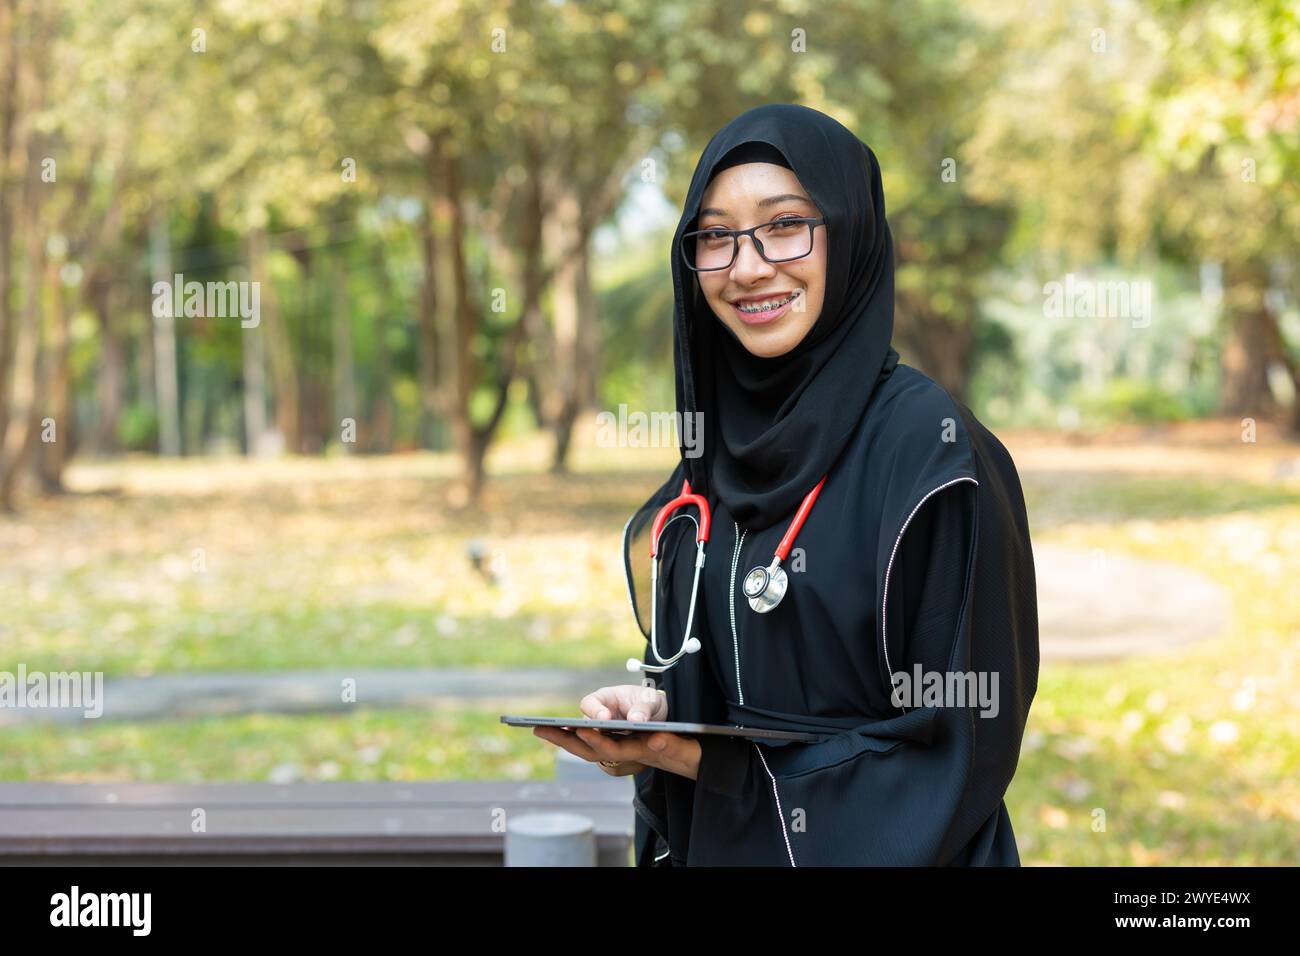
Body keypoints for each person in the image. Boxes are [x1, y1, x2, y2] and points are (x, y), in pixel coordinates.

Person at [532, 102, 1039, 866]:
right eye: (715, 235)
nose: (747, 267)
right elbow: (724, 684)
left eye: (784, 225)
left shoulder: (932, 455)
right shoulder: (709, 464)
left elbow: (956, 745)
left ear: (852, 232)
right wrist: (655, 718)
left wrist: (709, 764)